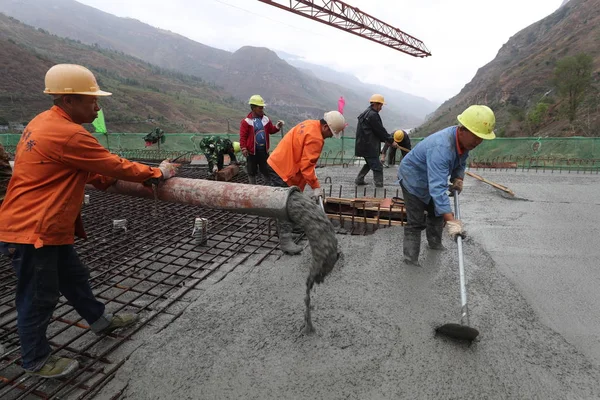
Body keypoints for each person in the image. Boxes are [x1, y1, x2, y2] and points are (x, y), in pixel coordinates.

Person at [0, 64, 179, 378]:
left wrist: (99, 178)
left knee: (74, 278)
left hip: (44, 228)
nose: (97, 107)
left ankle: (99, 321)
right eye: (91, 100)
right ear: (68, 101)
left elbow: (70, 165)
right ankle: (35, 360)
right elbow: (114, 164)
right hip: (33, 231)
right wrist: (158, 173)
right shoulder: (67, 133)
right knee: (38, 297)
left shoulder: (44, 122)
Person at [398, 105, 496, 266]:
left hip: (429, 176)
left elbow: (461, 161)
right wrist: (452, 222)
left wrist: (458, 177)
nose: (478, 142)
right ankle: (410, 259)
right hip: (413, 178)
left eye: (481, 138)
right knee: (415, 221)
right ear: (463, 130)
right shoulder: (442, 148)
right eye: (476, 137)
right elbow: (437, 190)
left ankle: (435, 244)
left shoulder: (464, 143)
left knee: (436, 212)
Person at [266, 111, 346, 255]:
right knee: (285, 204)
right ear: (326, 127)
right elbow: (307, 167)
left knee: (290, 200)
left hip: (278, 162)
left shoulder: (310, 124)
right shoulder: (316, 138)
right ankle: (285, 241)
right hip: (283, 170)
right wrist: (316, 187)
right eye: (331, 134)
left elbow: (306, 162)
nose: (329, 137)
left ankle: (293, 226)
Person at [354, 94, 398, 187]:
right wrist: (391, 141)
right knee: (377, 167)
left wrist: (386, 140)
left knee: (370, 163)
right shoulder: (373, 115)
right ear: (375, 104)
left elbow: (374, 131)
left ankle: (359, 179)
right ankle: (379, 186)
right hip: (369, 146)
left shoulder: (365, 113)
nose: (381, 108)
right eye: (380, 105)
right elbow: (380, 130)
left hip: (363, 145)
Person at [239, 95, 283, 184]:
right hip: (251, 153)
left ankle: (267, 187)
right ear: (253, 108)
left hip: (263, 152)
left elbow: (271, 130)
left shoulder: (266, 120)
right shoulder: (246, 122)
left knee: (266, 169)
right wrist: (243, 148)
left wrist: (277, 127)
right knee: (251, 171)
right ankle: (253, 187)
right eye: (260, 108)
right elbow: (243, 136)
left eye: (262, 107)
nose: (262, 110)